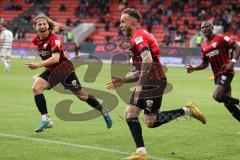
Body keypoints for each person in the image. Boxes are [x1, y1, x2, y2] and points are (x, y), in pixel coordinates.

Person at [106, 8, 206, 160]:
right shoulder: (137, 37)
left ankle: (188, 110)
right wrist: (125, 80)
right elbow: (141, 69)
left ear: (133, 22)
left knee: (150, 122)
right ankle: (141, 153)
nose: (120, 25)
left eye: (123, 22)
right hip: (148, 81)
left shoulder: (138, 37)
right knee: (130, 114)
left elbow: (148, 60)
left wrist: (139, 86)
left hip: (155, 82)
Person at [25, 15, 112, 132]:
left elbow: (55, 59)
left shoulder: (54, 39)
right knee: (36, 87)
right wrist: (61, 53)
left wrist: (38, 65)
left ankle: (103, 111)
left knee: (82, 96)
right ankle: (46, 119)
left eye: (44, 24)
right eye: (39, 24)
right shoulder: (36, 40)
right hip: (51, 71)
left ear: (47, 26)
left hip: (65, 71)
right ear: (35, 27)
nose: (42, 26)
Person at [187, 21, 240, 121]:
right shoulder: (204, 46)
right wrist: (193, 68)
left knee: (217, 96)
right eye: (202, 28)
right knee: (228, 103)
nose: (204, 29)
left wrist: (232, 62)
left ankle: (238, 101)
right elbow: (205, 64)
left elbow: (237, 47)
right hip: (217, 75)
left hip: (226, 71)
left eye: (207, 27)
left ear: (212, 28)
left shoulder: (221, 38)